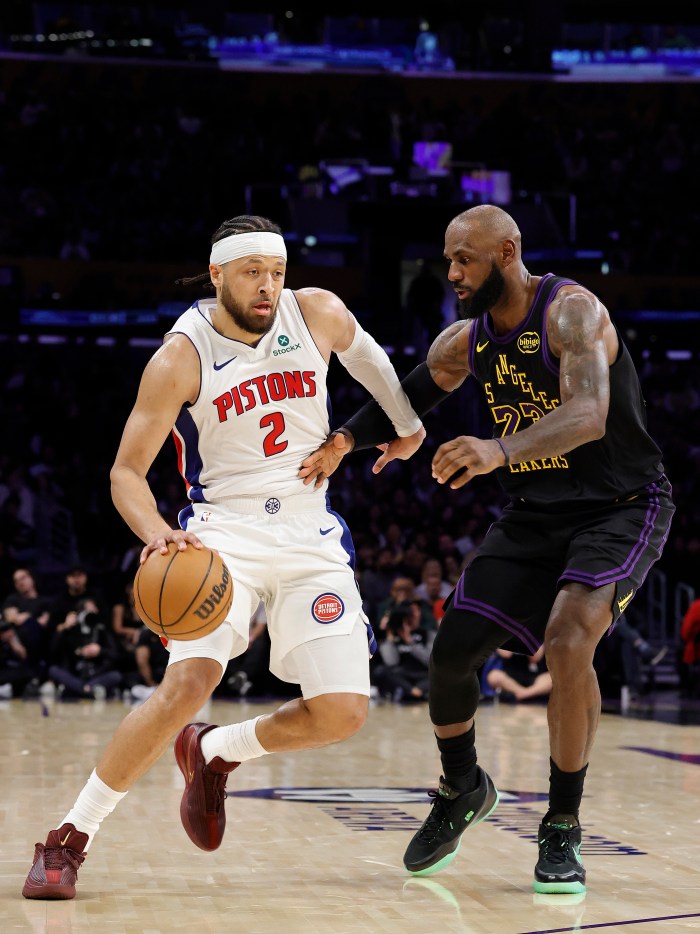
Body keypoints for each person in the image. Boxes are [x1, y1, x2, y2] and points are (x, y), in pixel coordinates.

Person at [22, 213, 424, 899]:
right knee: (187, 684)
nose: (269, 287)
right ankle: (69, 838)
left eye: (277, 272)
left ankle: (214, 752)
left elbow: (371, 359)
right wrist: (156, 531)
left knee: (343, 712)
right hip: (221, 534)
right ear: (217, 274)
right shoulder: (182, 354)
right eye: (252, 273)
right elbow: (125, 475)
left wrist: (405, 424)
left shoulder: (316, 311)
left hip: (308, 531)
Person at [299, 204, 675, 894]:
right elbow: (408, 395)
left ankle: (561, 824)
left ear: (507, 252)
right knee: (450, 652)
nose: (452, 273)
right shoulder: (465, 342)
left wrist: (497, 448)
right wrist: (346, 441)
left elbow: (589, 416)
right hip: (535, 514)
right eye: (448, 260)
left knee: (568, 643)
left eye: (464, 259)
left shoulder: (572, 313)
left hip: (618, 508)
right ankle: (461, 787)